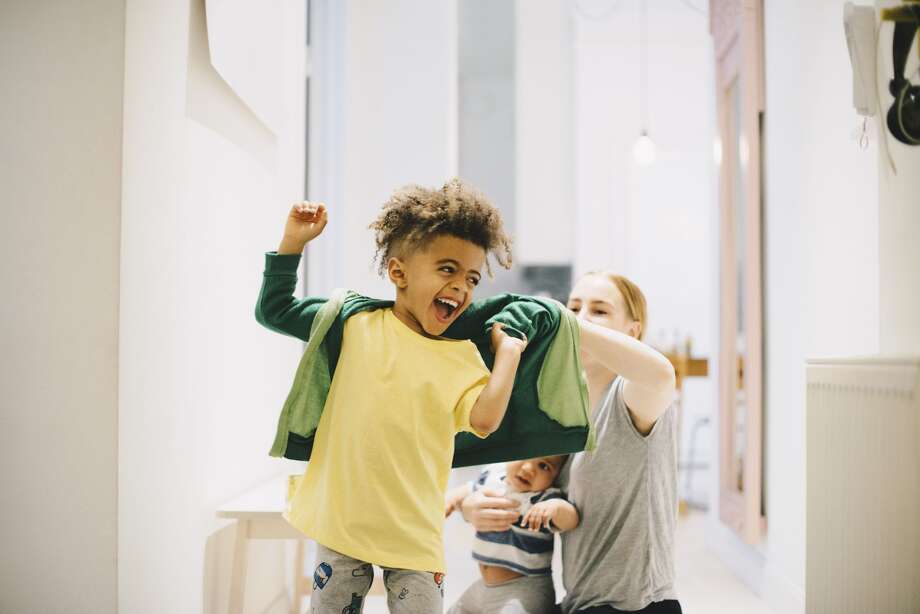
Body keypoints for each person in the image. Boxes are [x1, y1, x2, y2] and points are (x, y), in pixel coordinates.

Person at [257, 180, 526, 614]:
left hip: (415, 532)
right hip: (343, 519)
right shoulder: (354, 323)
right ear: (399, 273)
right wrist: (292, 243)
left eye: (471, 278)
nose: (461, 286)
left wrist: (508, 355)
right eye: (447, 269)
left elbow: (484, 420)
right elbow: (274, 311)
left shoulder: (461, 357)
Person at [460, 272, 681, 613]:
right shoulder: (565, 408)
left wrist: (564, 322)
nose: (580, 317)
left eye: (600, 311)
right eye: (574, 307)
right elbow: (524, 485)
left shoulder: (631, 397)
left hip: (633, 607)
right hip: (582, 603)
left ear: (632, 332)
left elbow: (662, 376)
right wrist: (471, 506)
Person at [444, 456, 579, 614]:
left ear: (557, 477)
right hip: (484, 586)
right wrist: (449, 501)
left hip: (525, 590)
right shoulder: (494, 478)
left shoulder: (542, 498)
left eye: (544, 466)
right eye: (524, 456)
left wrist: (555, 508)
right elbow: (466, 489)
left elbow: (572, 520)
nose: (528, 469)